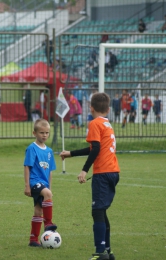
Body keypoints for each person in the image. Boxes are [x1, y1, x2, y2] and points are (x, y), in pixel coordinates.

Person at [59, 92, 120, 260]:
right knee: (102, 211)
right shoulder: (107, 124)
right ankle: (107, 251)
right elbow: (95, 147)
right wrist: (71, 153)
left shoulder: (94, 123)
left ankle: (100, 252)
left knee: (97, 211)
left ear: (91, 108)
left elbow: (96, 149)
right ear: (108, 109)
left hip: (103, 173)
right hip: (113, 172)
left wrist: (84, 170)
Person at [24, 118, 57, 247]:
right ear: (34, 133)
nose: (44, 135)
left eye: (47, 133)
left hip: (44, 183)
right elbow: (27, 166)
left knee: (38, 211)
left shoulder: (49, 151)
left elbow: (50, 172)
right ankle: (48, 223)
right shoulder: (32, 148)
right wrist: (27, 186)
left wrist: (49, 187)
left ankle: (33, 239)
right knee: (47, 195)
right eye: (41, 132)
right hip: (34, 182)